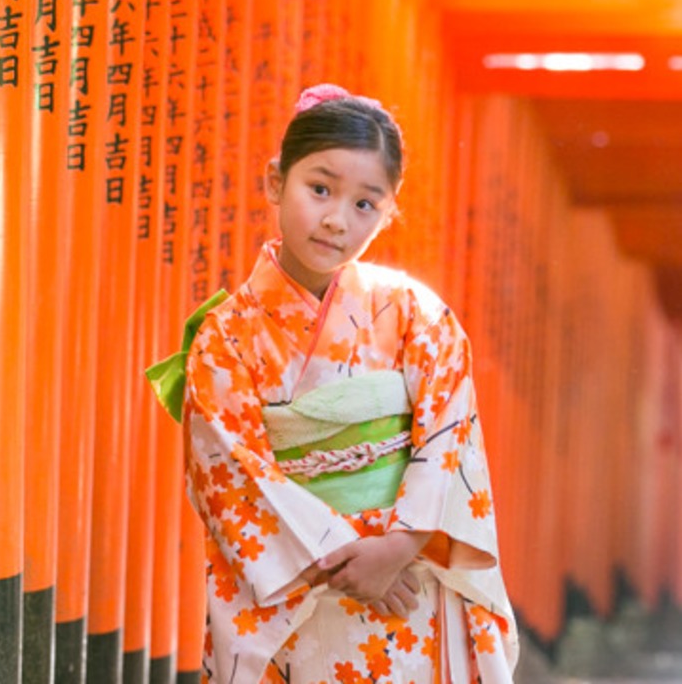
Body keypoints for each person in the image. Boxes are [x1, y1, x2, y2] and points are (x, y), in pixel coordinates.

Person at [173, 84, 517, 682]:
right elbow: (230, 473)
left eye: (366, 204)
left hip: (411, 588)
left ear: (389, 210)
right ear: (275, 181)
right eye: (321, 189)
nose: (337, 219)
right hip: (299, 601)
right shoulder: (224, 336)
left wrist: (398, 547)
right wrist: (353, 559)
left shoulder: (417, 312)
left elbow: (451, 437)